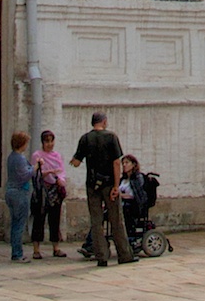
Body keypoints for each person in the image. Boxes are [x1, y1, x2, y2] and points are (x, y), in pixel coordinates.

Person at [69, 111, 136, 267]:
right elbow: (116, 163)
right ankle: (124, 254)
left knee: (96, 221)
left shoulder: (85, 138)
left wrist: (73, 161)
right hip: (108, 184)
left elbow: (77, 161)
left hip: (92, 185)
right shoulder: (111, 137)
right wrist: (116, 185)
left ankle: (101, 256)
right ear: (104, 122)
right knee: (116, 219)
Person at [30, 130, 67, 259]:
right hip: (43, 190)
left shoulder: (57, 155)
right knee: (39, 218)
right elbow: (35, 173)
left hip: (55, 190)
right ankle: (36, 248)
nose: (50, 144)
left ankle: (56, 247)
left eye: (52, 141)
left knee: (55, 218)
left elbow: (61, 171)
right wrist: (48, 171)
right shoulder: (37, 156)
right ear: (42, 142)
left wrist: (61, 180)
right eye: (47, 141)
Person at [5, 131, 33, 262]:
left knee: (15, 222)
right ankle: (17, 253)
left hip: (10, 191)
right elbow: (24, 176)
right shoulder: (20, 158)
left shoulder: (11, 157)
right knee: (19, 224)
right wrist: (35, 167)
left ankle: (15, 251)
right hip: (19, 192)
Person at [118, 154, 148, 242]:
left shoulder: (138, 178)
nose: (124, 165)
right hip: (121, 204)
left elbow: (135, 195)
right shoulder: (122, 179)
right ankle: (91, 243)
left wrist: (121, 195)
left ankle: (130, 239)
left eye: (127, 162)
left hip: (132, 206)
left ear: (133, 164)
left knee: (127, 212)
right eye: (123, 163)